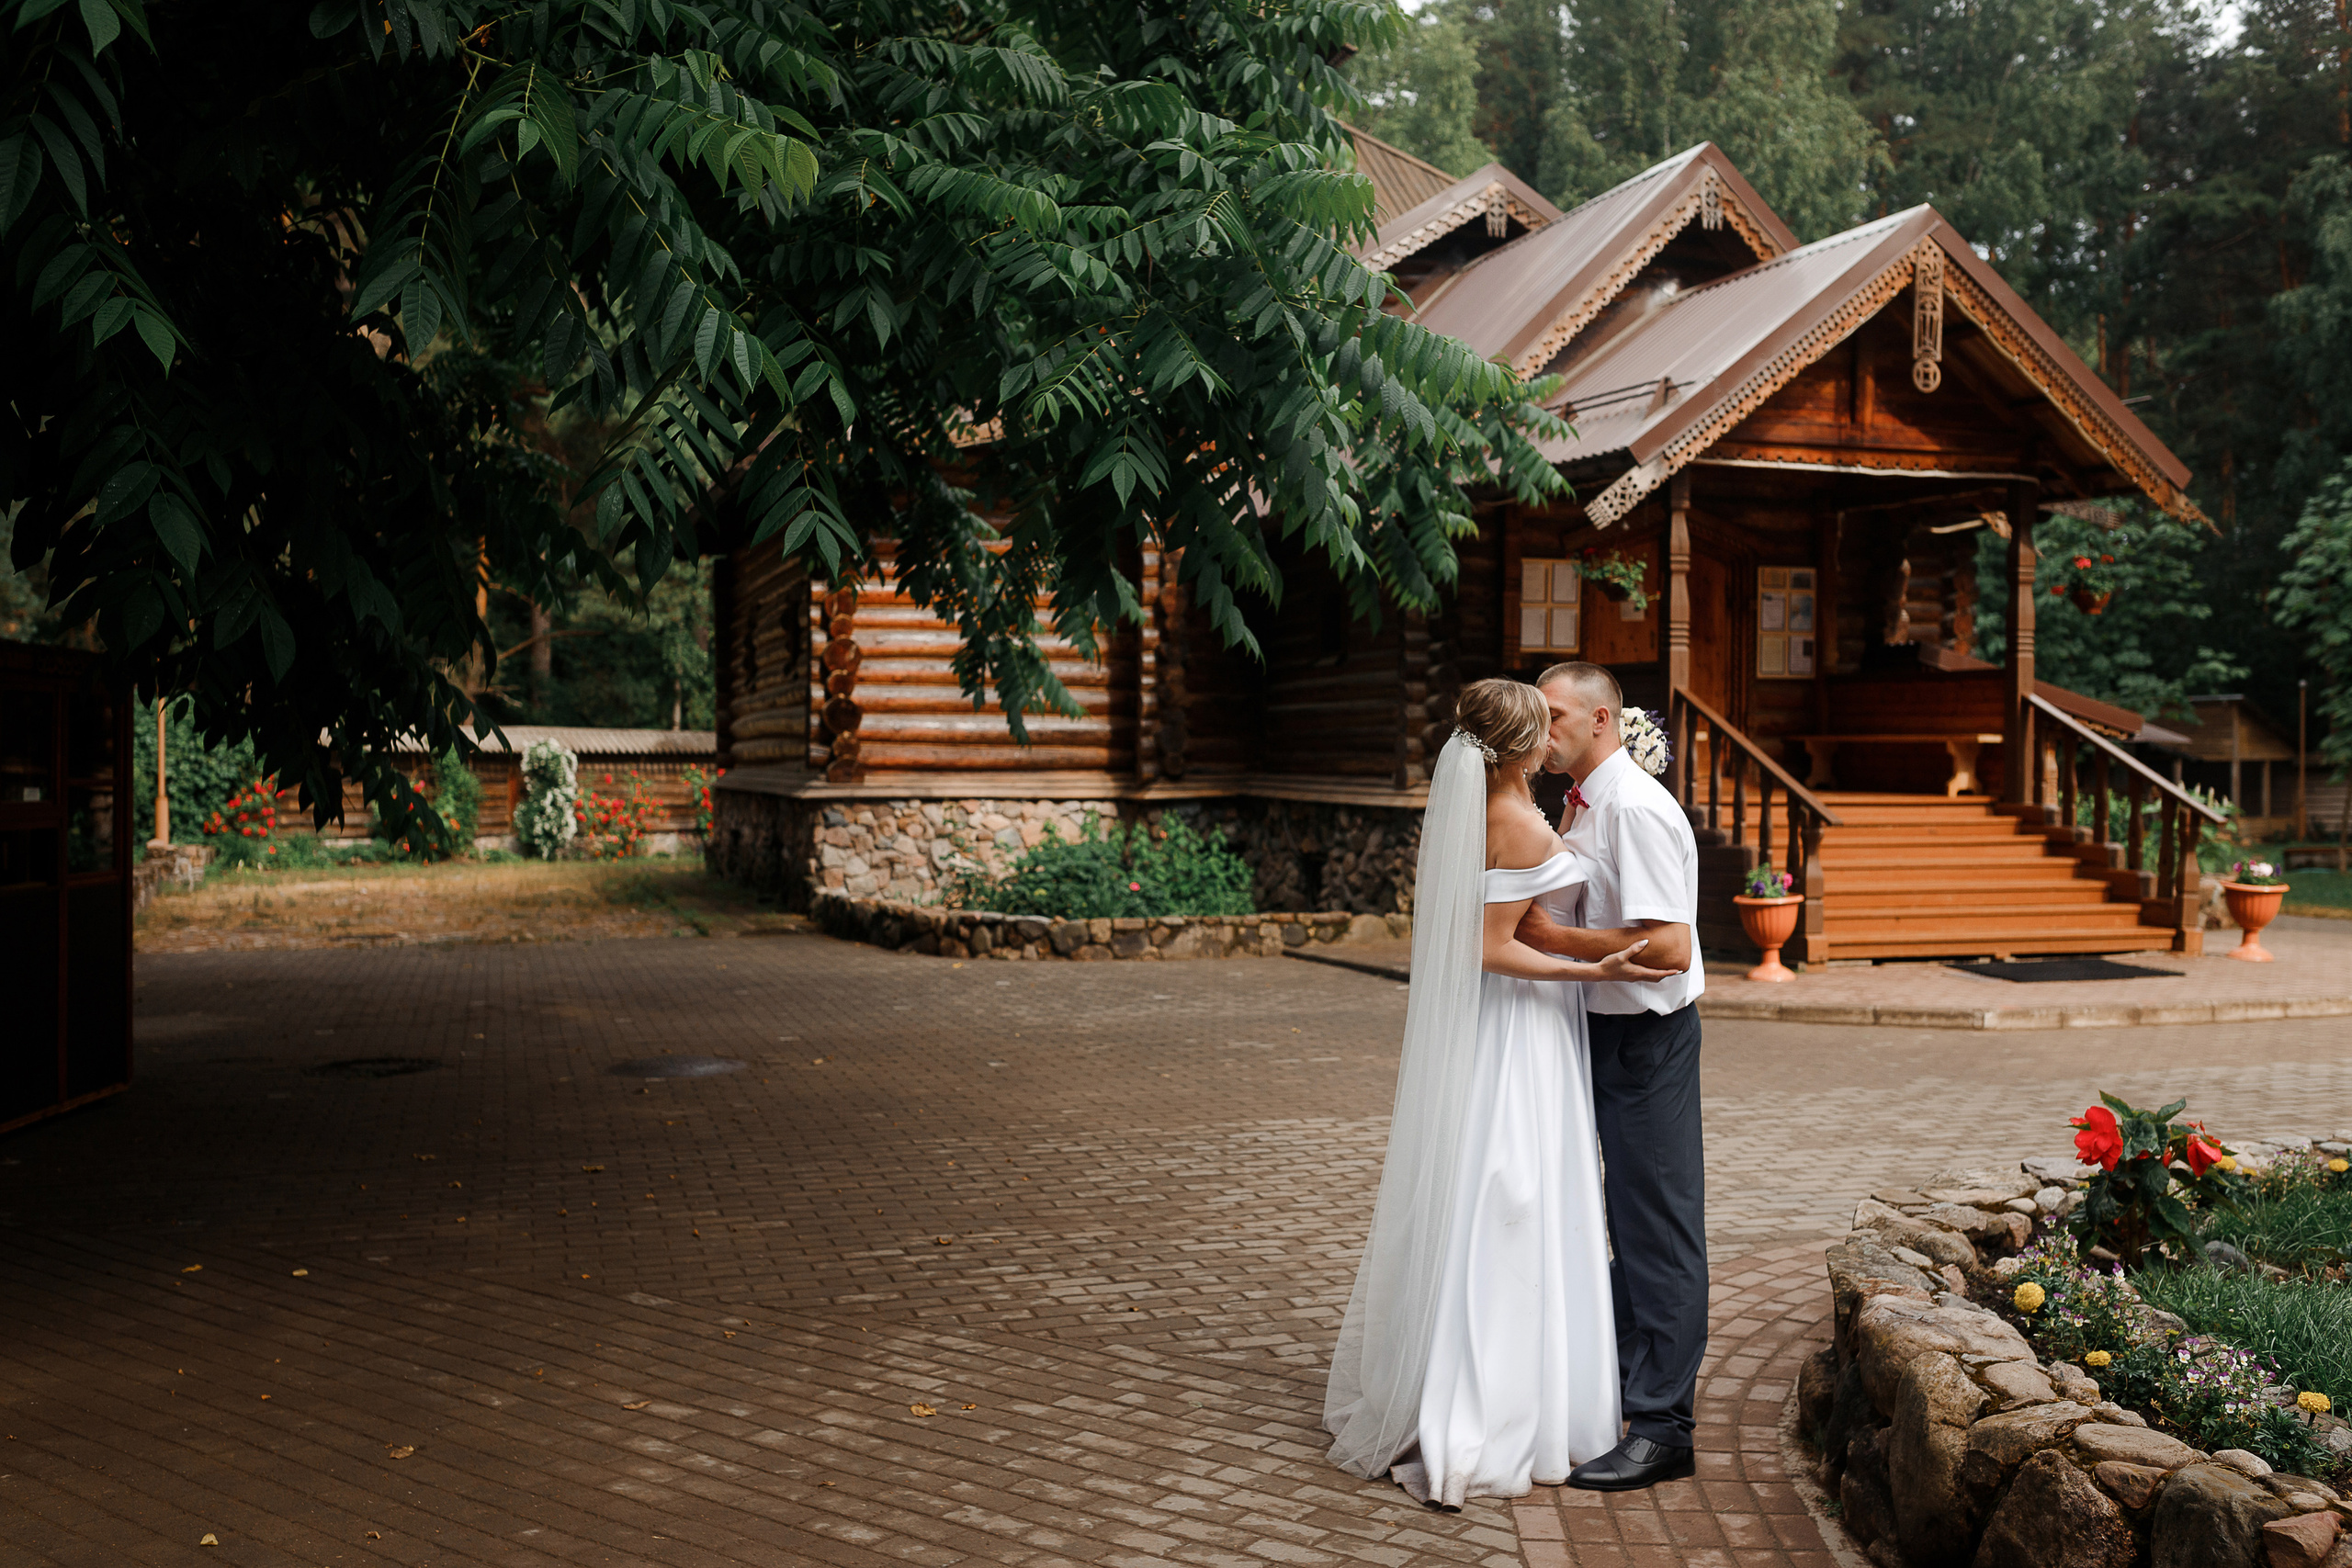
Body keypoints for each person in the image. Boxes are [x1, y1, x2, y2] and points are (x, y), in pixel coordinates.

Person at [1324, 677, 1676, 1508]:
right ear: (1518, 747)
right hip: (1523, 1026)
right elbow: (1494, 946)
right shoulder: (1515, 820)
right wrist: (1590, 967)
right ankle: (1503, 1405)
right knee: (1517, 1192)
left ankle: (1495, 1383)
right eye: (1541, 729)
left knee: (1508, 1189)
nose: (1552, 739)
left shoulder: (1484, 811)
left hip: (1519, 1025)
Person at [1513, 661, 1708, 1492]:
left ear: (1601, 721)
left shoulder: (1633, 806)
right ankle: (1631, 1395)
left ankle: (1665, 1428)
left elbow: (1669, 949)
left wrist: (1554, 943)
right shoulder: (1585, 799)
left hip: (1648, 1041)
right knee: (1620, 1225)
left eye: (1555, 715)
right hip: (1602, 1033)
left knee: (1657, 1229)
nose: (1542, 727)